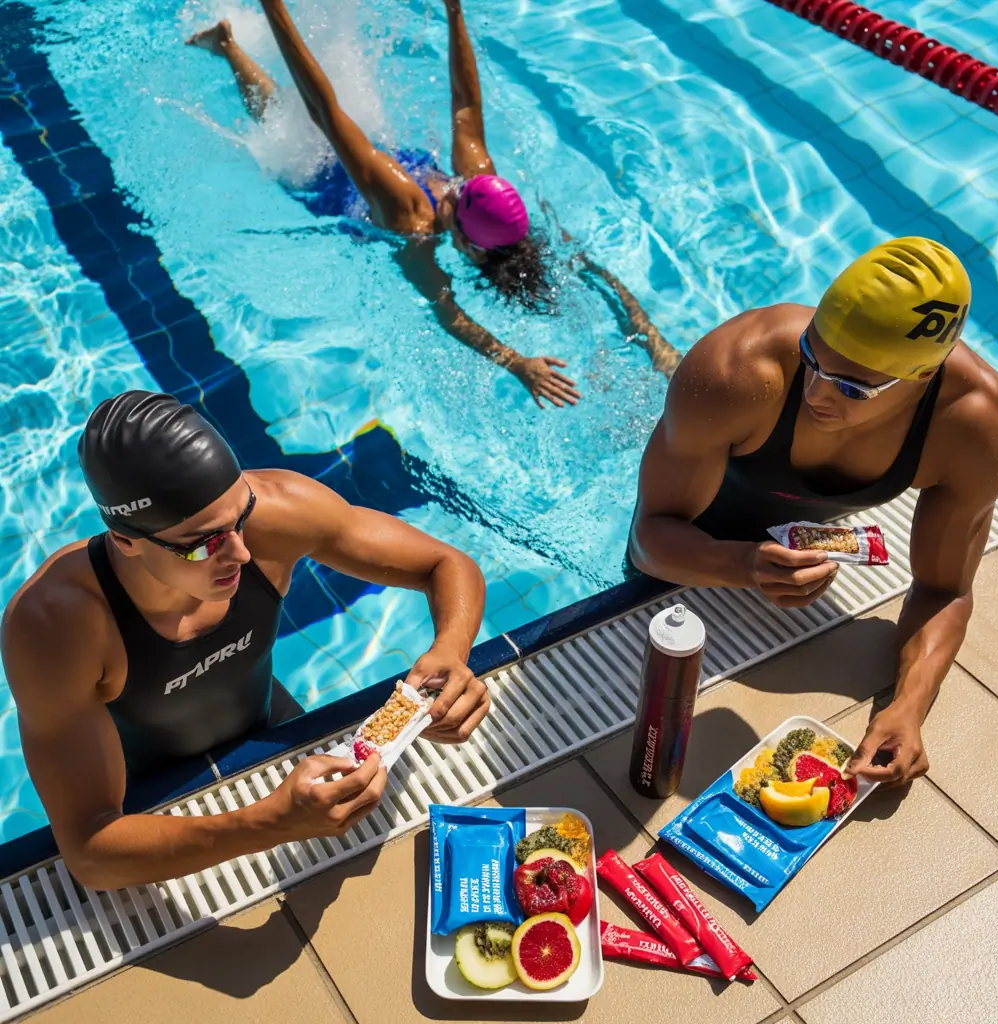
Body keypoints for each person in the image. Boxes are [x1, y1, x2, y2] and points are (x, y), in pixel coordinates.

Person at [1, 391, 490, 889]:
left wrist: (451, 650)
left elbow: (445, 564)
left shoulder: (276, 513)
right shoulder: (56, 625)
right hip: (151, 808)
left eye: (240, 515)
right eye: (203, 543)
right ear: (126, 540)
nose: (239, 550)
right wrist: (269, 824)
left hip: (271, 728)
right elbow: (90, 852)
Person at [628, 237, 998, 787]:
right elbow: (649, 541)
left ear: (923, 377)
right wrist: (740, 565)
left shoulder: (978, 424)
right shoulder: (739, 369)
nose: (816, 393)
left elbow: (945, 589)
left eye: (852, 387)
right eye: (812, 358)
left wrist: (907, 706)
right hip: (694, 527)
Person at [187, 0, 581, 409]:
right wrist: (455, 12)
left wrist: (517, 364)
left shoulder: (439, 200)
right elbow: (463, 102)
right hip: (342, 170)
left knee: (286, 129)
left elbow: (449, 314)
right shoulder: (443, 198)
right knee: (298, 133)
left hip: (337, 177)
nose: (456, 184)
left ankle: (229, 47)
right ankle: (227, 45)